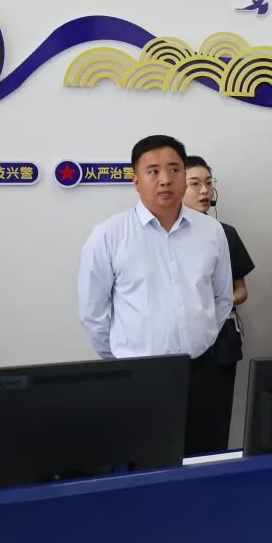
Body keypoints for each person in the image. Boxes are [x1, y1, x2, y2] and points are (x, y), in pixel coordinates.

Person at [77, 135, 233, 456]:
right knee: (148, 462)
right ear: (136, 181)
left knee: (206, 460)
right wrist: (125, 360)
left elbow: (222, 298)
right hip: (140, 377)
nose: (165, 179)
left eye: (174, 169)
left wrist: (202, 338)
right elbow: (93, 314)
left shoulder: (211, 232)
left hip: (203, 372)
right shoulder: (108, 235)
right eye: (153, 171)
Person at [181, 155, 255, 453]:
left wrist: (209, 303)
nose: (204, 191)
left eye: (208, 183)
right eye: (194, 184)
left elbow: (241, 291)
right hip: (175, 346)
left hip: (219, 344)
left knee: (213, 426)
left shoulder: (225, 233)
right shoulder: (160, 236)